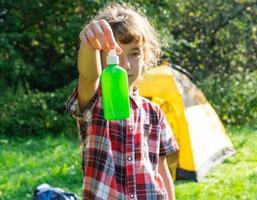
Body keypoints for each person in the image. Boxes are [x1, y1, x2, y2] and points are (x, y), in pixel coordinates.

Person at [65, 3, 179, 200]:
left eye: (134, 53)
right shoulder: (94, 101)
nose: (125, 65)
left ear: (146, 56)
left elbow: (161, 168)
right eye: (115, 55)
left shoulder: (154, 112)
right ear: (101, 59)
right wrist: (89, 44)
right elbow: (88, 76)